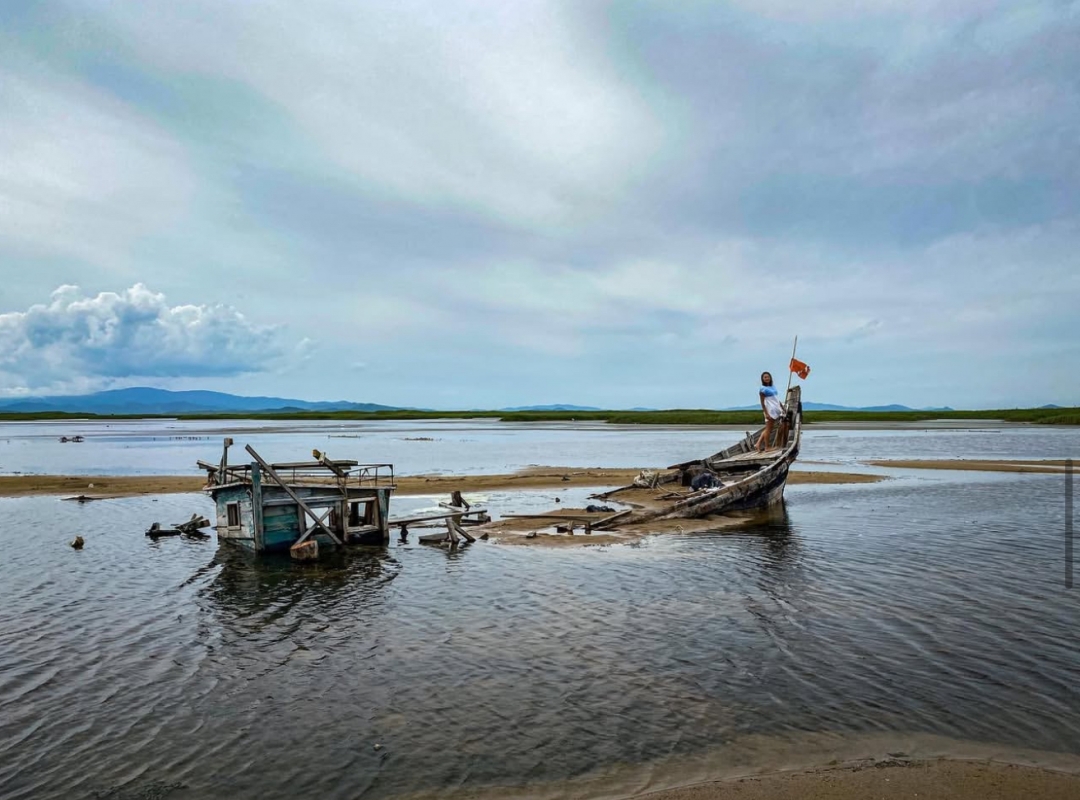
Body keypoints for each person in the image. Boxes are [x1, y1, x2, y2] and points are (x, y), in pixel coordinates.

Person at [756, 371, 784, 452]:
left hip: (776, 408)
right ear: (762, 379)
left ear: (770, 378)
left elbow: (776, 399)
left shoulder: (772, 386)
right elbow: (762, 403)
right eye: (765, 377)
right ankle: (767, 447)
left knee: (768, 428)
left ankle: (758, 444)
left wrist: (782, 406)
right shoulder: (762, 389)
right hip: (770, 410)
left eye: (768, 377)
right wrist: (766, 413)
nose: (767, 378)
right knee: (768, 429)